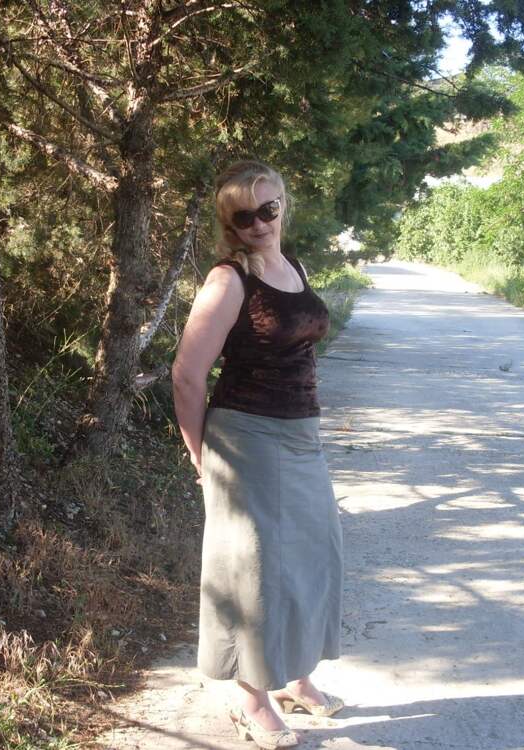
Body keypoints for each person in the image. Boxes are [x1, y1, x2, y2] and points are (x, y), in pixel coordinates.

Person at [172, 160, 345, 750]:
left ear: (282, 204)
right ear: (231, 224)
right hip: (246, 437)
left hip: (300, 435)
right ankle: (252, 700)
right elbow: (187, 376)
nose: (259, 224)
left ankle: (298, 678)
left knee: (313, 555)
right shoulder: (228, 281)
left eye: (268, 209)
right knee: (257, 572)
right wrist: (200, 455)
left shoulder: (292, 265)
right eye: (244, 217)